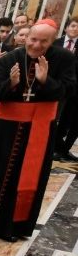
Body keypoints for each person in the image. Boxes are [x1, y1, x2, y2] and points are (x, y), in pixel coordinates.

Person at [0, 20, 77, 241]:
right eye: (33, 39)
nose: (36, 45)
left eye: (43, 41)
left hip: (39, 130)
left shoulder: (64, 59)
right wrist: (11, 83)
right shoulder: (9, 59)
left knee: (26, 179)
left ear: (52, 41)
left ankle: (14, 227)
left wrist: (46, 80)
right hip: (4, 131)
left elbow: (69, 91)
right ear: (26, 38)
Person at [53, 17, 78, 160]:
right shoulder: (55, 44)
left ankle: (63, 149)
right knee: (55, 118)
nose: (75, 29)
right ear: (66, 28)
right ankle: (54, 146)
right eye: (73, 26)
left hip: (74, 90)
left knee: (69, 119)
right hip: (56, 87)